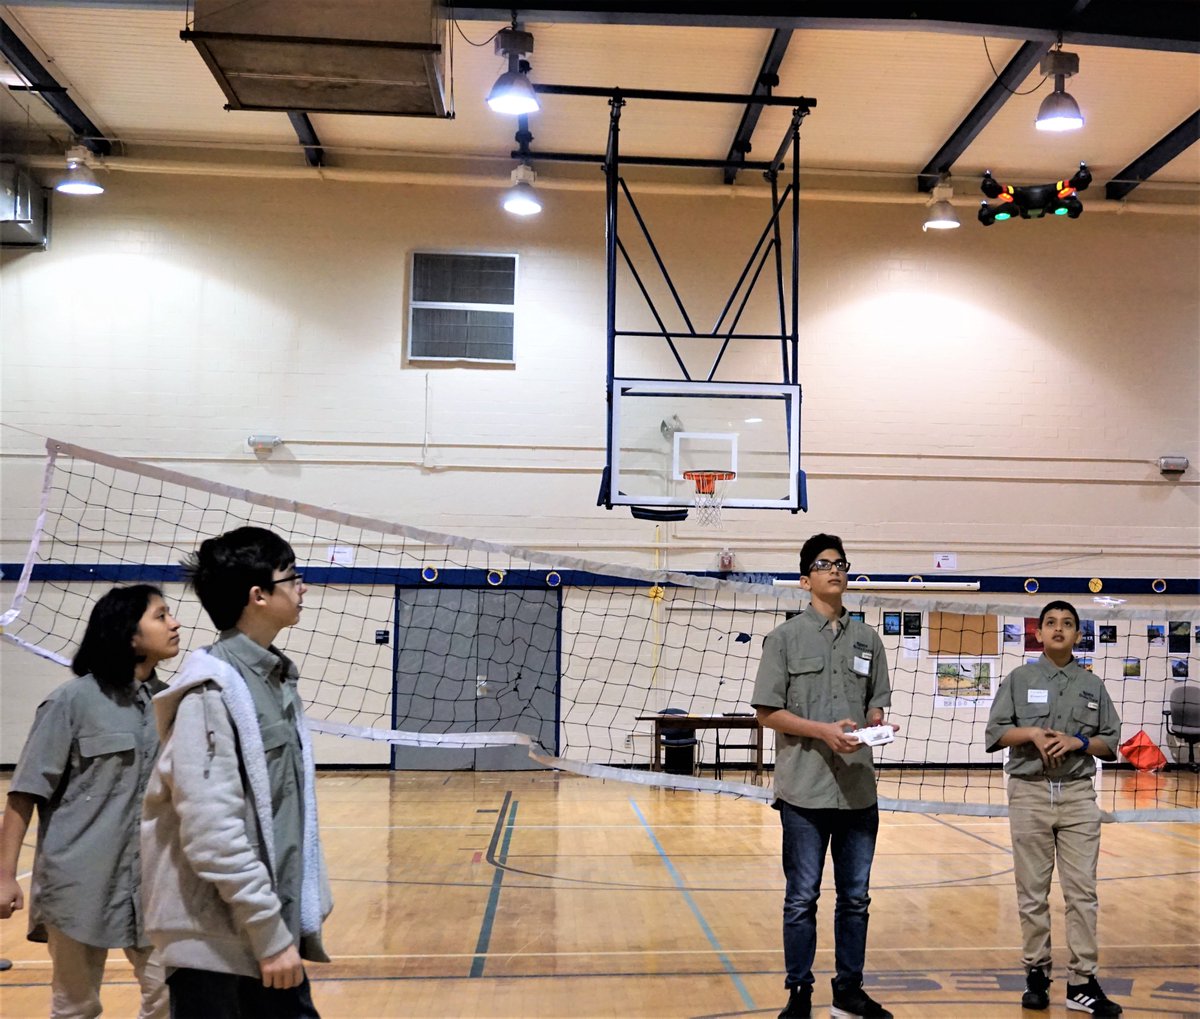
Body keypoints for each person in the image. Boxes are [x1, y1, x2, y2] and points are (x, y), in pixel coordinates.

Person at [140, 526, 333, 1019]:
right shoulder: (209, 692)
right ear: (259, 596)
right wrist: (269, 937)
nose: (302, 587)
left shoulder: (274, 679)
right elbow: (211, 833)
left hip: (262, 932)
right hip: (220, 946)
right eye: (292, 577)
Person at [0, 584, 181, 1019]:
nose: (175, 624)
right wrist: (5, 876)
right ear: (129, 634)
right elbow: (25, 791)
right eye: (161, 615)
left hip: (156, 886)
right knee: (76, 1007)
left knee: (169, 1000)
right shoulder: (71, 702)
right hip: (77, 884)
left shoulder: (171, 702)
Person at [752, 534, 898, 1019]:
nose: (834, 570)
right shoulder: (784, 639)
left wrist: (877, 726)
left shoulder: (868, 641)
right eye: (822, 564)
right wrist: (820, 731)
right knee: (802, 899)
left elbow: (877, 702)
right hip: (803, 792)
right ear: (805, 579)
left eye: (840, 563)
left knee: (855, 900)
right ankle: (799, 992)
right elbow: (767, 713)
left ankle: (848, 991)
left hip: (858, 791)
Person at [985, 600, 1123, 1016]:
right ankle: (1036, 975)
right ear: (1039, 634)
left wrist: (1079, 742)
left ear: (1079, 635)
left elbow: (1110, 742)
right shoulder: (1019, 678)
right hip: (1029, 791)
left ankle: (1082, 981)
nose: (1059, 629)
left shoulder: (1091, 684)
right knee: (1032, 893)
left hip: (1078, 794)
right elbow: (995, 731)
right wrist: (1031, 733)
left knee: (1083, 892)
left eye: (1067, 624)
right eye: (1051, 623)